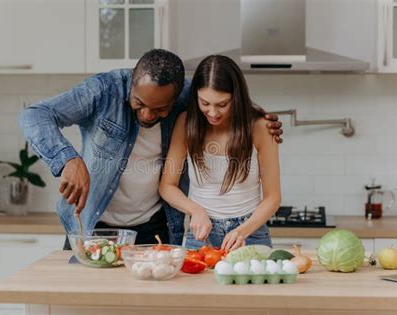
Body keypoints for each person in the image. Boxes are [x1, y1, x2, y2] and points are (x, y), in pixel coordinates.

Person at [19, 49, 283, 249]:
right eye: (139, 102)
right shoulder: (103, 91)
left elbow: (224, 97)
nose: (147, 114)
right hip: (93, 225)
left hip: (154, 227)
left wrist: (261, 120)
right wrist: (68, 160)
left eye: (159, 109)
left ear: (178, 96)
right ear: (132, 82)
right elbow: (35, 115)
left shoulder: (189, 101)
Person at [159, 55, 281, 252]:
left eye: (222, 104)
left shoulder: (261, 128)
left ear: (237, 97)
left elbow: (273, 198)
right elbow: (167, 186)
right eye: (205, 103)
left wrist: (242, 231)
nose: (213, 113)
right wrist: (195, 210)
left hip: (249, 233)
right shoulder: (186, 123)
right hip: (201, 234)